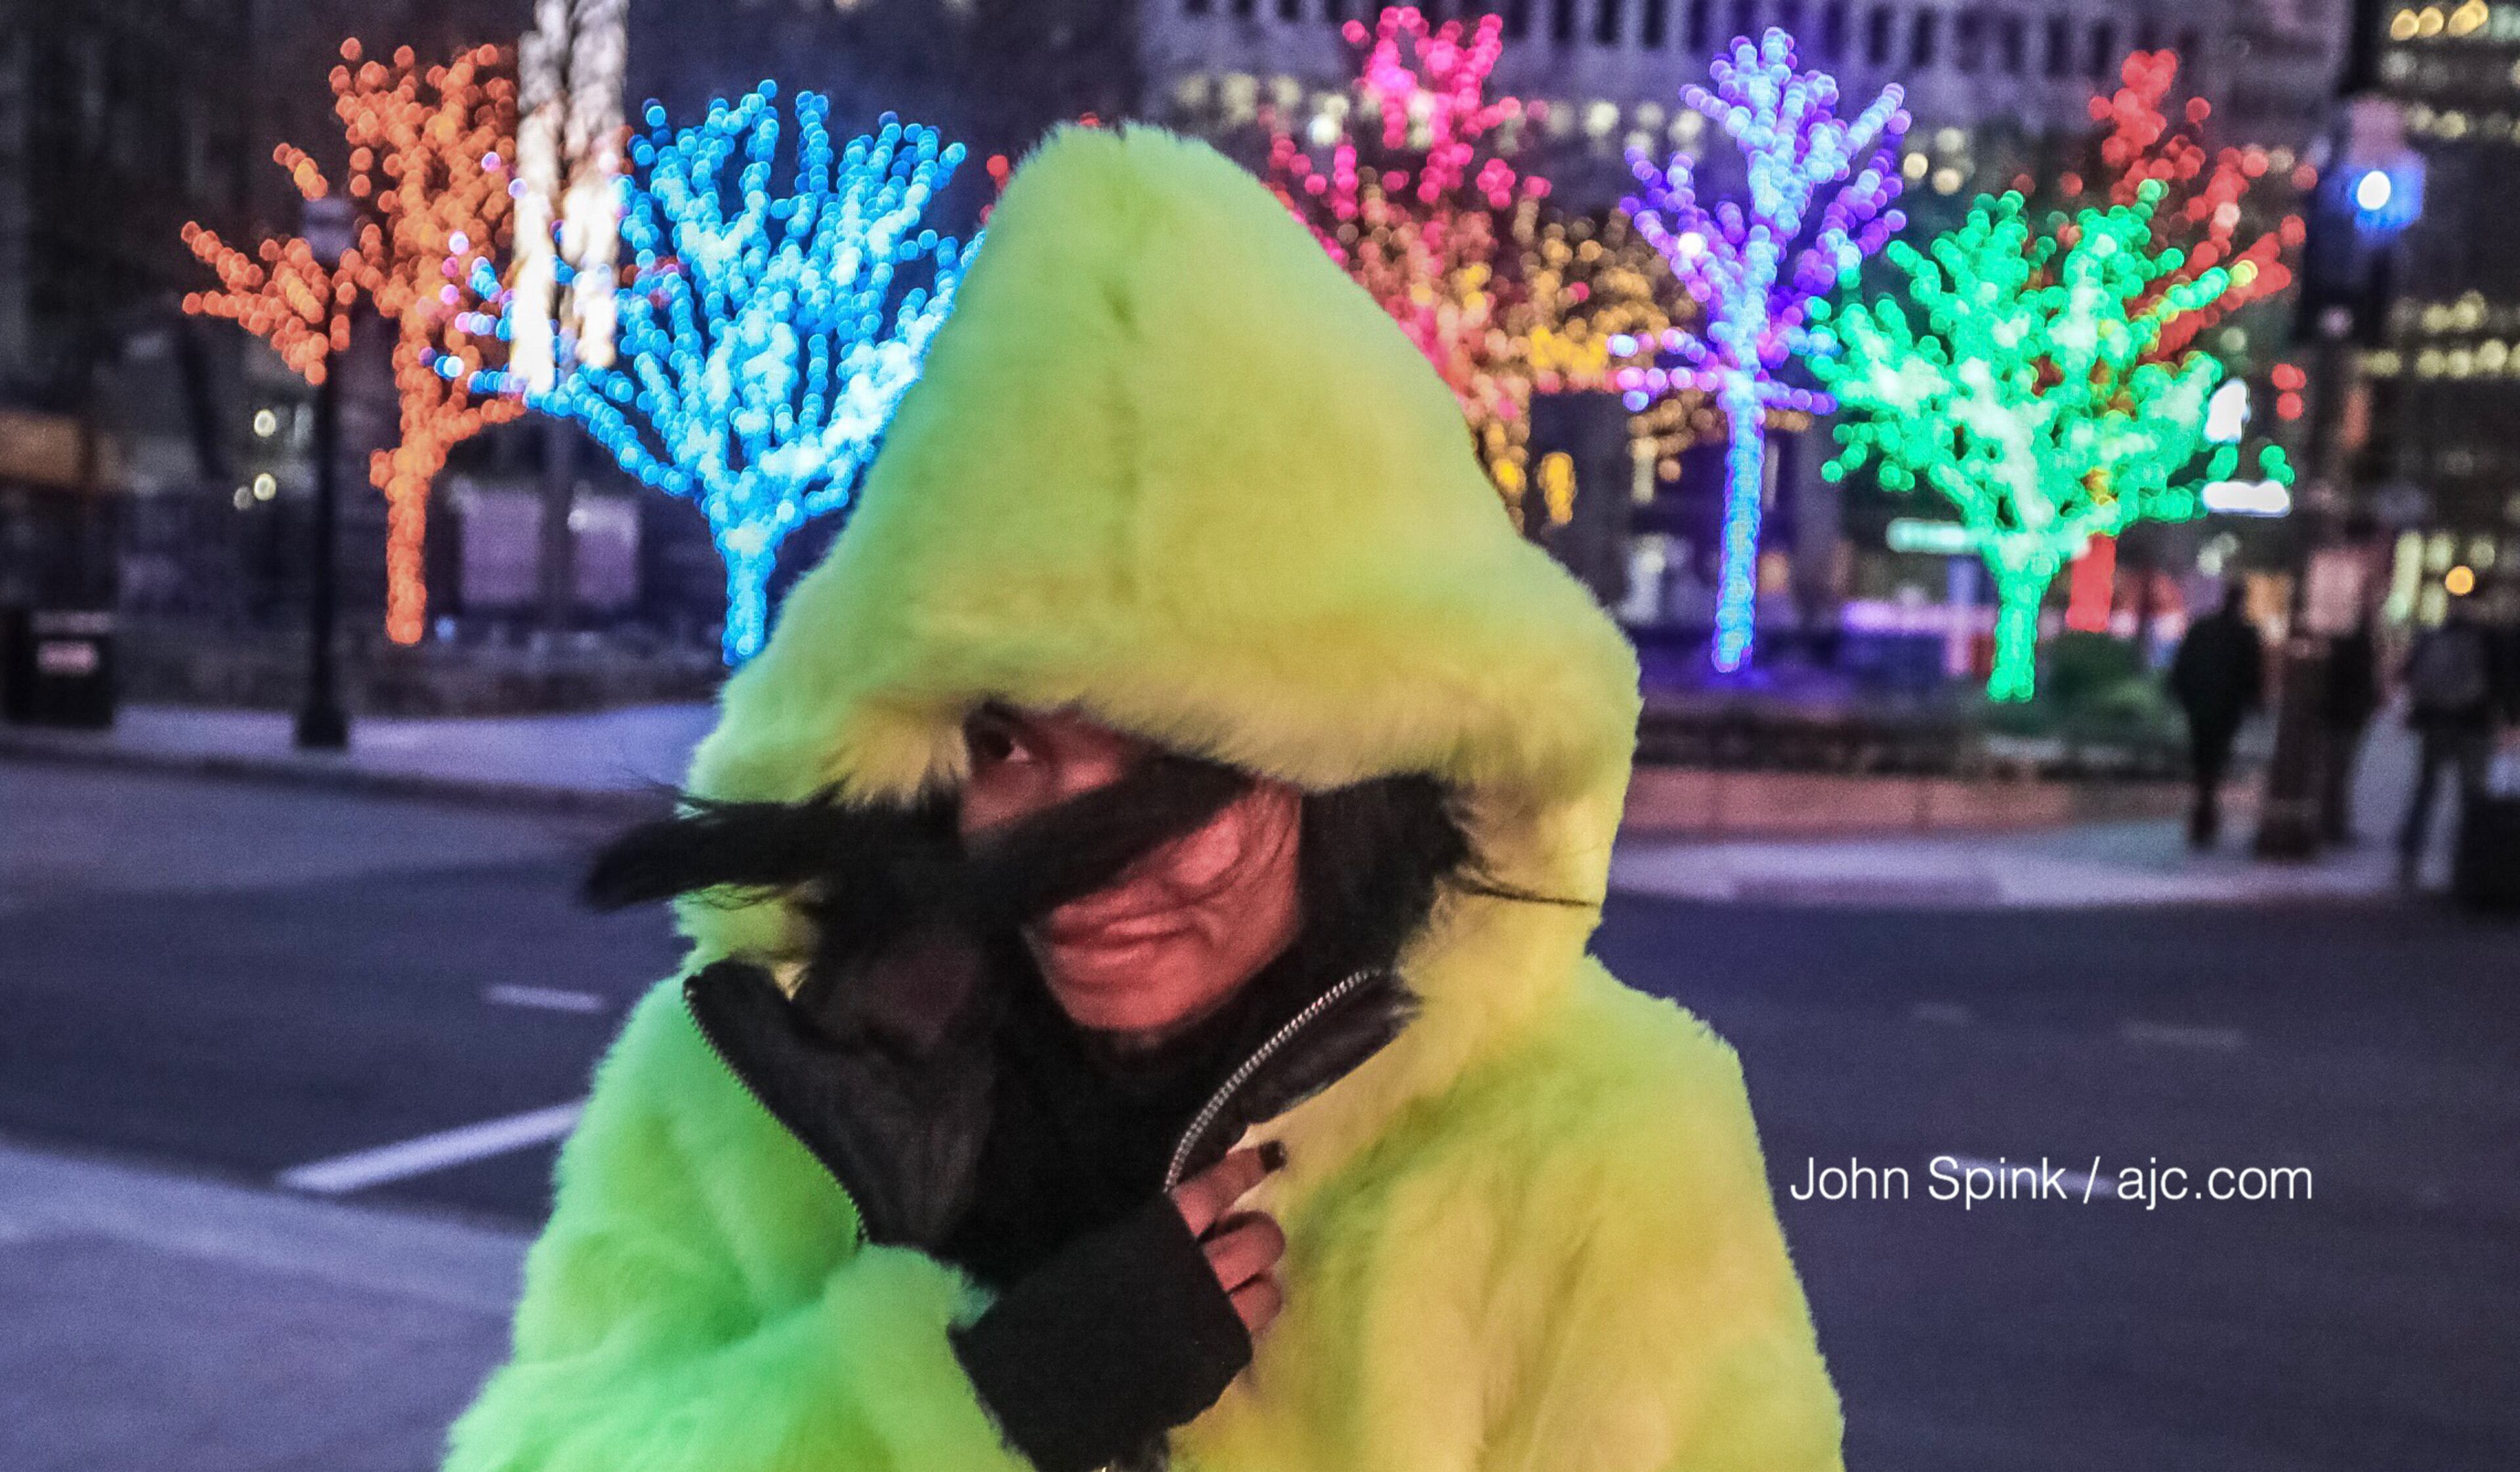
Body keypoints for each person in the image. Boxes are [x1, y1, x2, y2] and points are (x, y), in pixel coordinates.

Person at [442, 128, 1841, 1472]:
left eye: (1181, 762)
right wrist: (987, 1408)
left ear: (1351, 770)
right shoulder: (756, 1088)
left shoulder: (1603, 1143)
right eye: (1007, 741)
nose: (1086, 866)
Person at [2396, 589, 2503, 883]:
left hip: (2437, 724)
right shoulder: (2486, 638)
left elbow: (2409, 674)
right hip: (2473, 725)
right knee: (2472, 797)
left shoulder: (2434, 634)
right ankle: (2468, 863)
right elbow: (2498, 682)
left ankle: (2409, 857)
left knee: (2425, 790)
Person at [2168, 578, 2267, 849]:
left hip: (2202, 706)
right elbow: (2252, 677)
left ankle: (2203, 814)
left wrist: (2182, 694)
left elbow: (2183, 665)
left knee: (2204, 761)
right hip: (2224, 708)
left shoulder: (2204, 628)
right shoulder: (2244, 634)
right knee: (2214, 761)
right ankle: (2205, 814)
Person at [2318, 617, 2384, 844]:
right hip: (2347, 718)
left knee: (2333, 774)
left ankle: (2330, 823)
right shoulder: (2360, 650)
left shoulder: (2339, 647)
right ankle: (2332, 825)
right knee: (2338, 774)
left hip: (2338, 716)